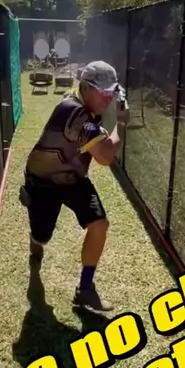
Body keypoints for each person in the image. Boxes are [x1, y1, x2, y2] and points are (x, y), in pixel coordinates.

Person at [20, 60, 130, 313]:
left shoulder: (86, 106)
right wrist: (121, 124)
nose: (107, 98)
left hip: (73, 177)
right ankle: (35, 239)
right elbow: (105, 156)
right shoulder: (74, 112)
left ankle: (85, 289)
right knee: (42, 237)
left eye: (111, 92)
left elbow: (95, 136)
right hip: (45, 181)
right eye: (102, 92)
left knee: (99, 224)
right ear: (85, 87)